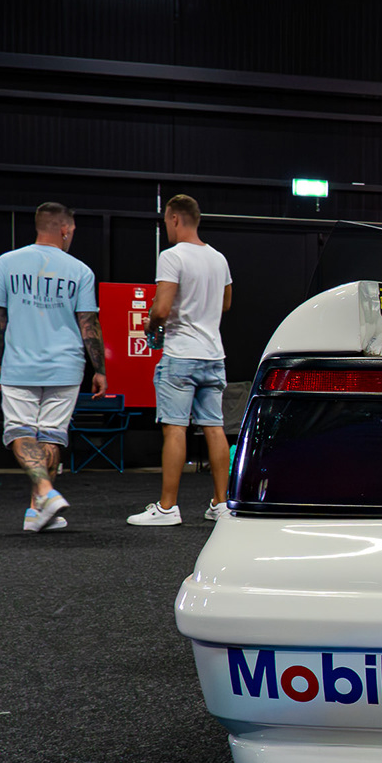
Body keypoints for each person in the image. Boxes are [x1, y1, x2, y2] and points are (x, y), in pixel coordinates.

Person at [0, 203, 105, 533]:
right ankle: (38, 509)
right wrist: (100, 369)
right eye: (72, 231)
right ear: (64, 229)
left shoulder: (6, 263)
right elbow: (89, 324)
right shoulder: (80, 270)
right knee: (51, 435)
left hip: (20, 363)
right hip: (66, 365)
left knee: (21, 431)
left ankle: (44, 495)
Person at [129, 195, 233, 526]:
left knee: (175, 428)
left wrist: (151, 323)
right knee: (214, 427)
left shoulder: (172, 256)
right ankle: (221, 504)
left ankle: (167, 508)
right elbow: (226, 304)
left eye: (166, 222)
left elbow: (161, 309)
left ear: (174, 219)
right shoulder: (218, 258)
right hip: (213, 355)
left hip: (181, 356)